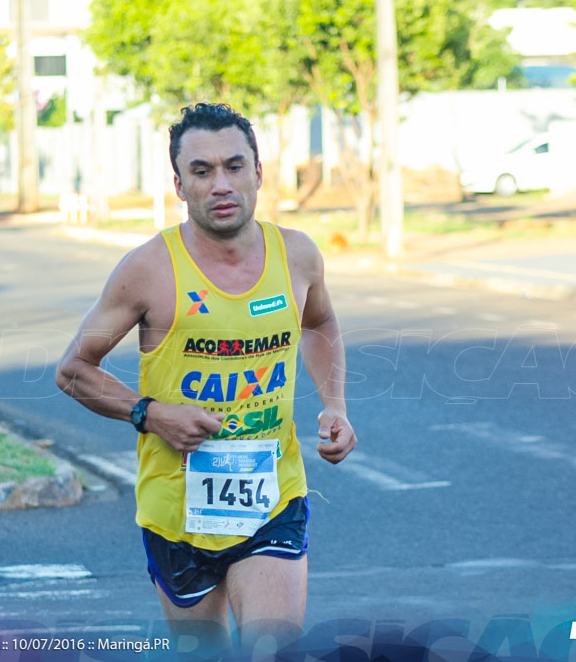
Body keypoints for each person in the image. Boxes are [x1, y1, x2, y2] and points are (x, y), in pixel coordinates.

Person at [55, 102, 356, 655]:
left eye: (234, 166)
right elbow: (74, 370)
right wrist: (150, 414)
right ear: (179, 184)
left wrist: (334, 404)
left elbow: (319, 323)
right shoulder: (147, 269)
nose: (221, 183)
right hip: (176, 508)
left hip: (272, 499)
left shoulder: (296, 255)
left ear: (259, 172)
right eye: (201, 171)